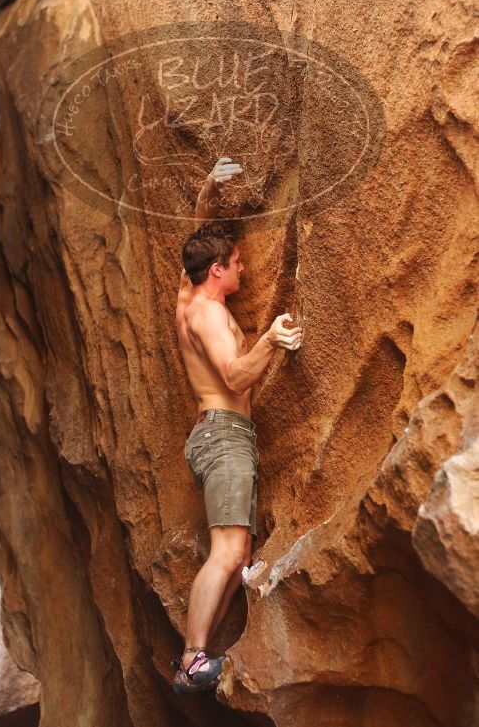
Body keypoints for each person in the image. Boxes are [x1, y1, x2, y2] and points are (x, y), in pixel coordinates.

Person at [172, 157, 302, 695]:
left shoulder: (188, 292)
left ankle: (201, 655)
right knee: (227, 551)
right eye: (237, 263)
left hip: (222, 434)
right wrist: (270, 339)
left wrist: (207, 191)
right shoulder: (207, 314)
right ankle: (190, 661)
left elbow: (196, 243)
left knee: (239, 553)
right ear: (217, 272)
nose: (242, 270)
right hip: (224, 433)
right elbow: (233, 375)